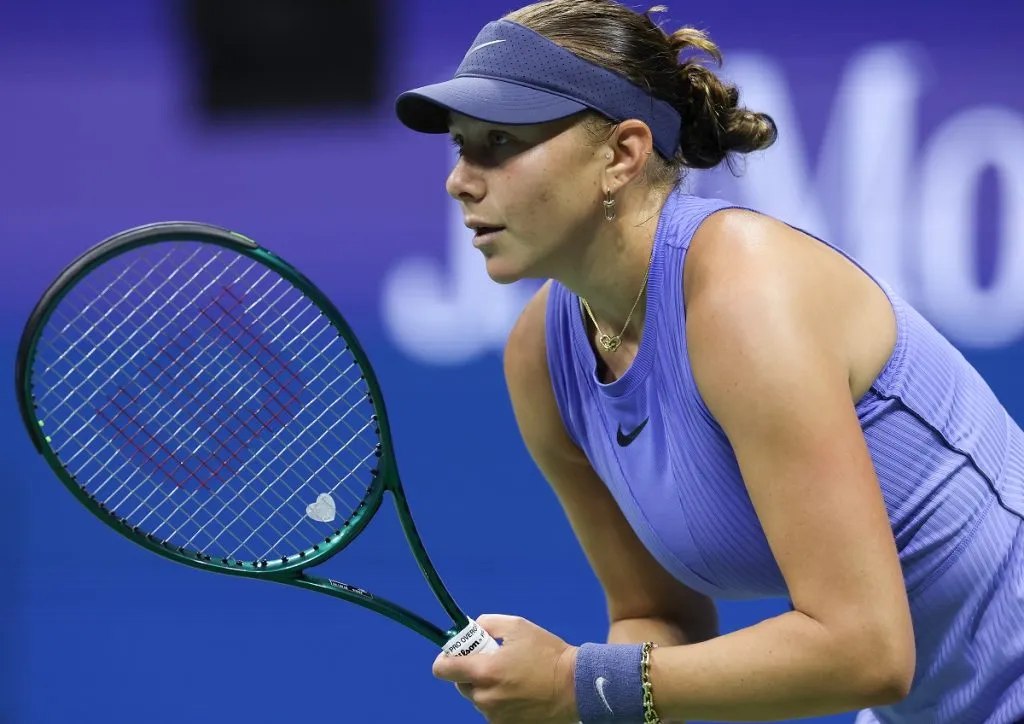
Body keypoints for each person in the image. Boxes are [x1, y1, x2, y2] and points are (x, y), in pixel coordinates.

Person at [394, 1, 1024, 722]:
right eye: (461, 145)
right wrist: (594, 698)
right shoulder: (541, 356)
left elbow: (866, 652)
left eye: (500, 141)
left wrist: (577, 684)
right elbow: (654, 615)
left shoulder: (745, 297)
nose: (460, 180)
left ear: (622, 154)